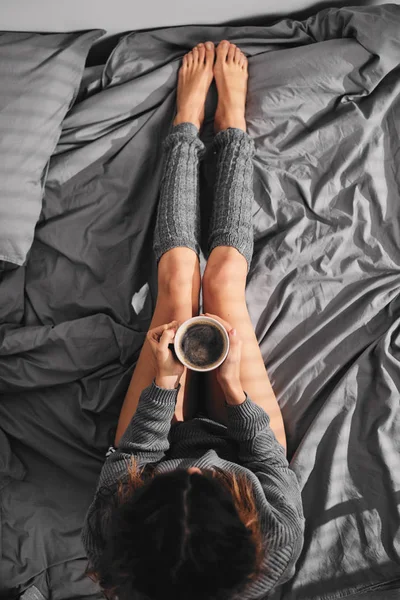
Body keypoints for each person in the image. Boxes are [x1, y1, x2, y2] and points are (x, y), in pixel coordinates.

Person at [81, 40, 305, 600]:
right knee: (224, 278)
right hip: (247, 448)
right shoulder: (274, 544)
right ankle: (232, 124)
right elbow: (267, 460)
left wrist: (163, 383)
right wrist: (232, 391)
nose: (200, 464)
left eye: (185, 478)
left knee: (180, 280)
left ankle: (184, 124)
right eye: (208, 483)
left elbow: (134, 459)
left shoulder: (111, 536)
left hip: (152, 449)